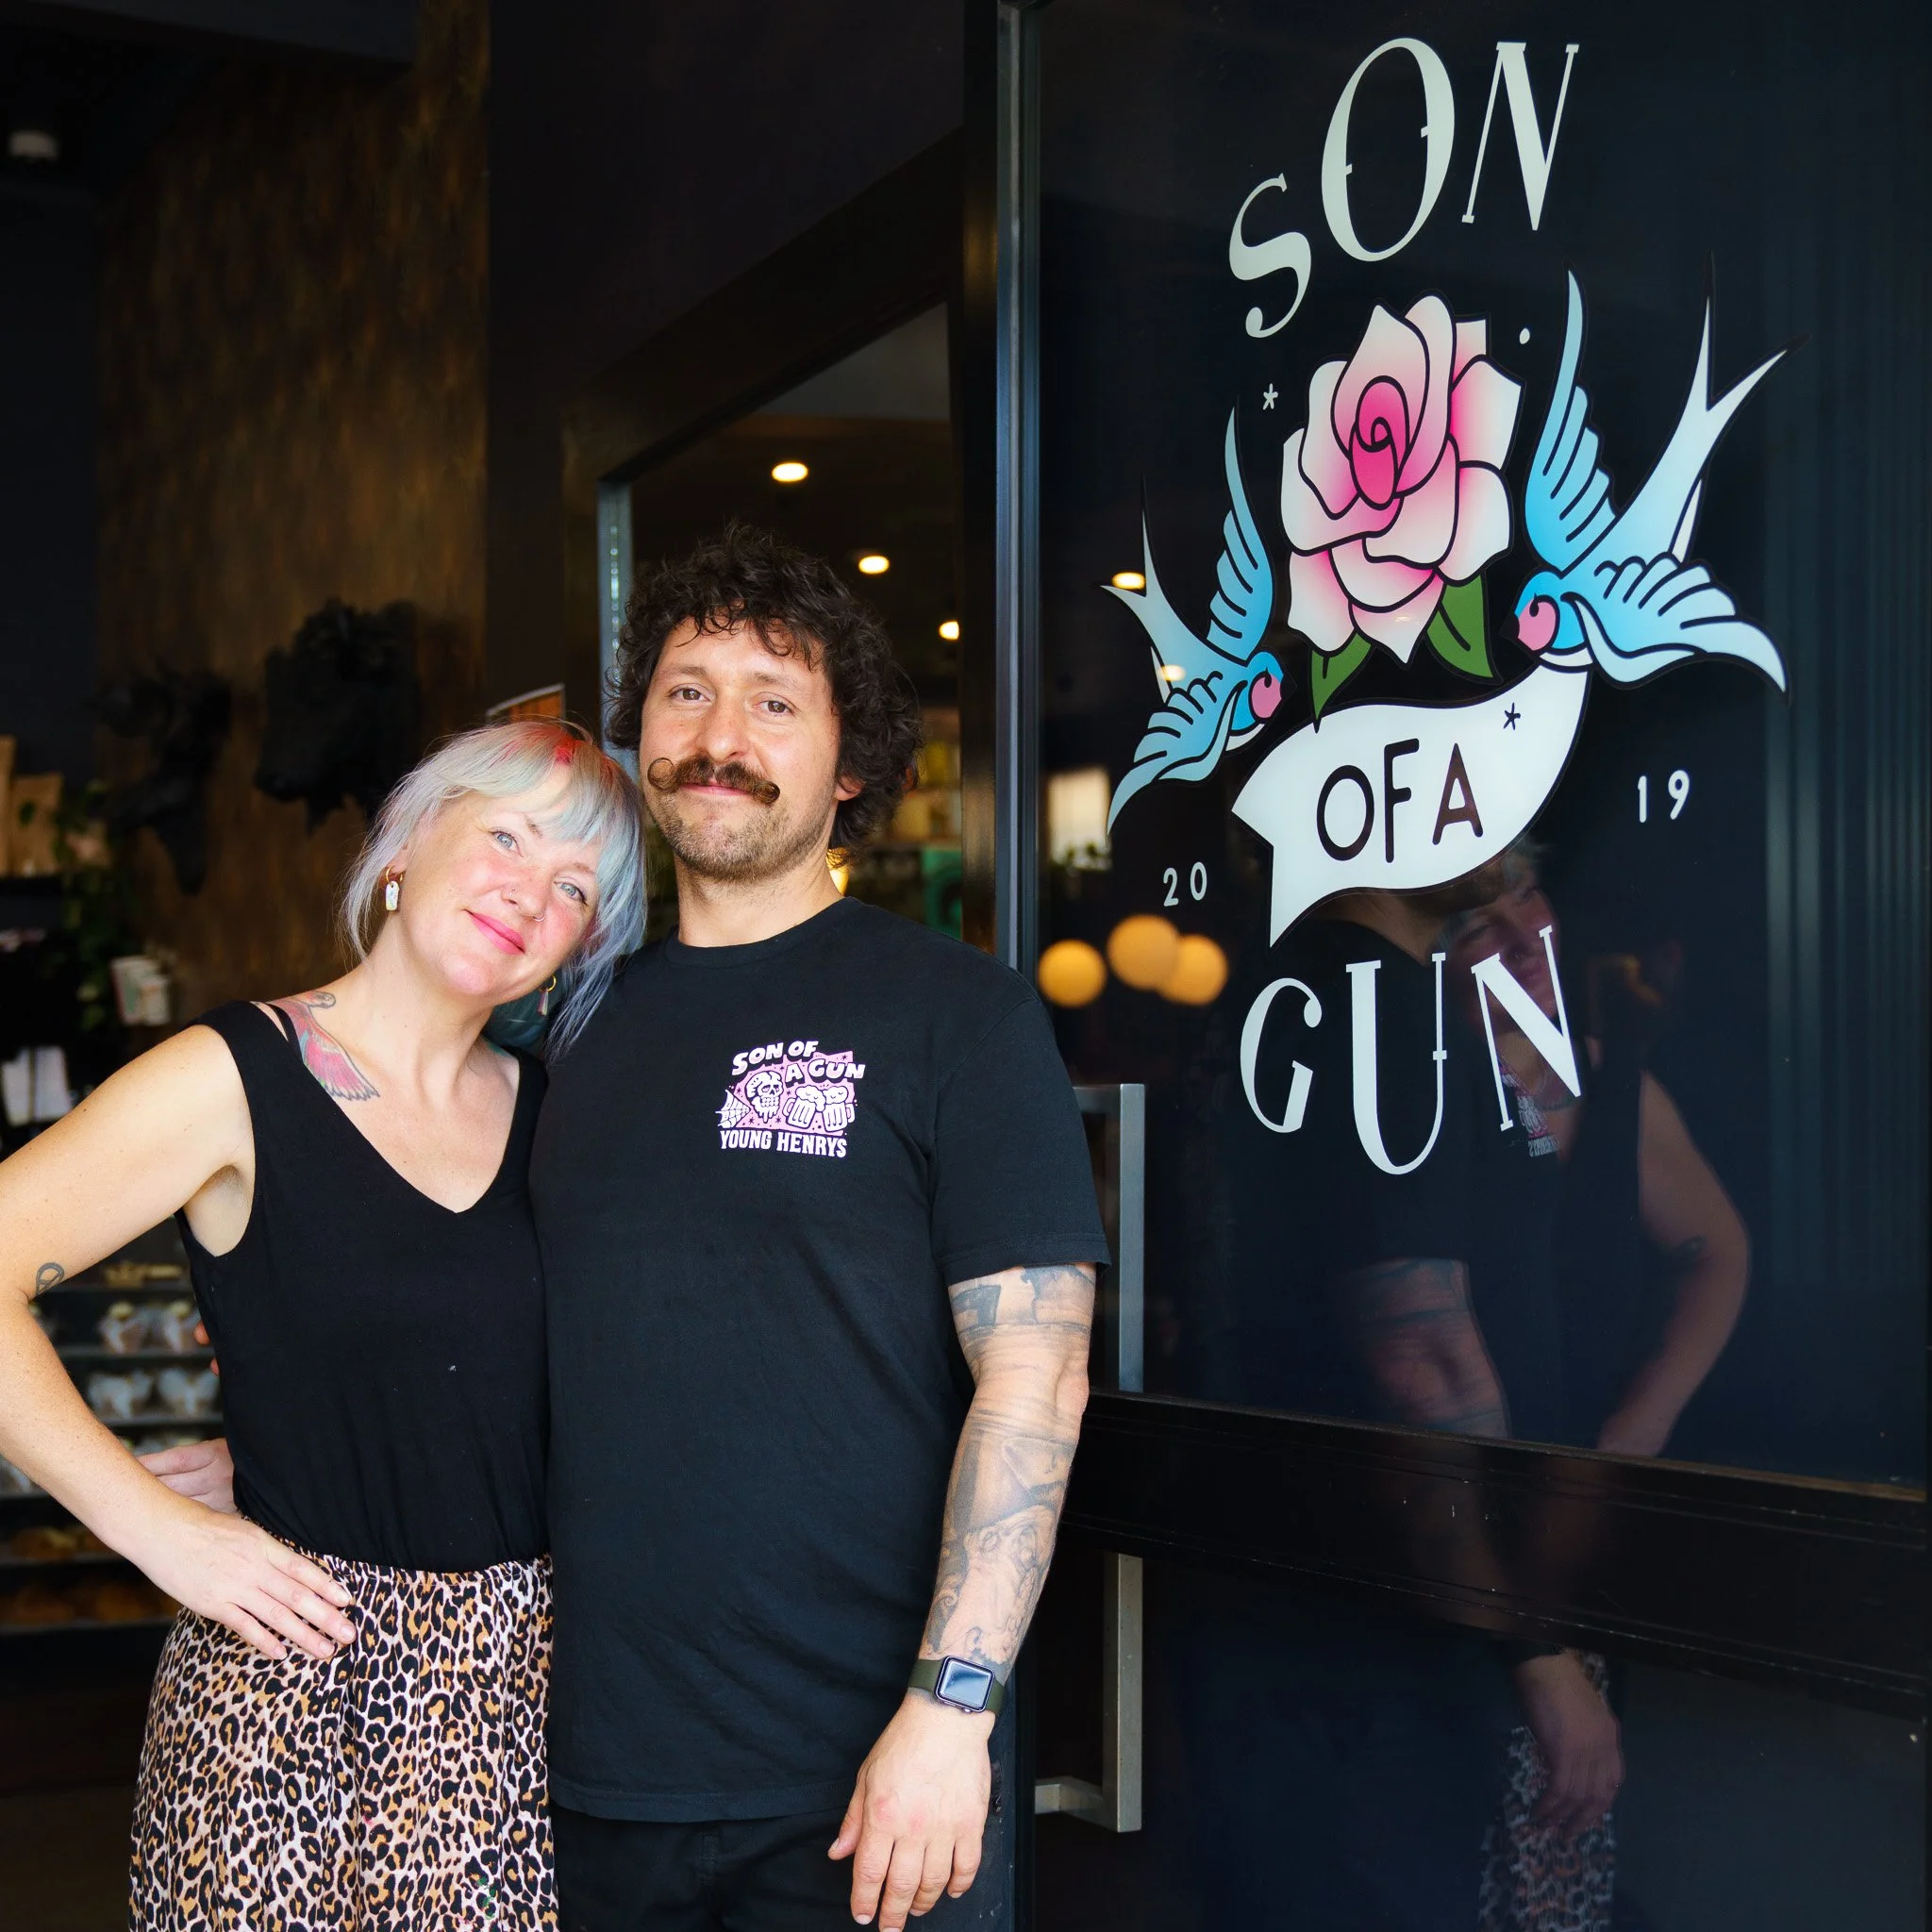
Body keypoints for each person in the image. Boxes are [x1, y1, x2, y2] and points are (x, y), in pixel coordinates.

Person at [533, 525, 1109, 1932]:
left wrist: (952, 1708)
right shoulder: (567, 1028)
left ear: (850, 766)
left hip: (872, 1782)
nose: (719, 738)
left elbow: (1036, 1377)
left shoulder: (958, 1016)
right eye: (686, 692)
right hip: (591, 1772)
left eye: (774, 701)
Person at [0, 720, 645, 1930]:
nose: (530, 891)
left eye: (575, 887)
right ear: (405, 843)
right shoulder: (232, 1074)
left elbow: (540, 1376)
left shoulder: (559, 1114)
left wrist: (291, 1431)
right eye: (507, 836)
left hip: (523, 1714)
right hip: (290, 1704)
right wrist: (156, 1530)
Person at [1181, 879, 1622, 1930]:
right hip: (1382, 1624)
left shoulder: (1352, 1001)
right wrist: (1535, 1651)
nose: (1499, 865)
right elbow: (1419, 1358)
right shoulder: (1376, 1003)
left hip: (1339, 1600)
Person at [1445, 843, 1749, 1932]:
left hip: (1573, 1539)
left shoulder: (1612, 1085)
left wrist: (1637, 1425)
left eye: (1523, 893)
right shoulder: (1411, 1104)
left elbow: (1716, 1254)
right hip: (1443, 1533)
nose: (1516, 932)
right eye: (1473, 921)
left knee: (1554, 1851)